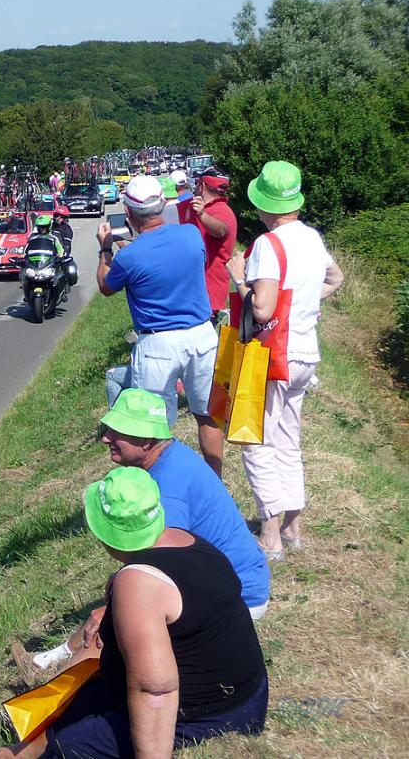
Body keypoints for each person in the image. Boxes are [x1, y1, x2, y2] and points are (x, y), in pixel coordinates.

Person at [0, 468, 268, 759]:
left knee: (74, 745)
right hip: (247, 695)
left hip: (214, 717)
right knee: (84, 697)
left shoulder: (139, 582)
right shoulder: (188, 541)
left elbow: (154, 689)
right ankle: (10, 755)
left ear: (105, 533)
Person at [226, 161, 344, 560]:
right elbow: (335, 280)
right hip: (306, 355)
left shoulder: (266, 245)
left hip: (273, 357)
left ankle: (270, 534)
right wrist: (308, 307)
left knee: (254, 439)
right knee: (288, 440)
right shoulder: (312, 237)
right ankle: (294, 527)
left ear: (265, 205)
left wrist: (239, 277)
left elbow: (262, 309)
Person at [96, 175, 224, 476]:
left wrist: (105, 249)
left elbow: (105, 285)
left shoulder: (127, 257)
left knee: (154, 424)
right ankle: (214, 481)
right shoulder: (192, 235)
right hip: (201, 335)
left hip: (157, 345)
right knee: (207, 416)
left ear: (128, 213)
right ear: (162, 206)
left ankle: (163, 483)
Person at [189, 170, 236, 322]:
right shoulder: (216, 209)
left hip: (207, 292)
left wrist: (202, 215)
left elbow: (221, 230)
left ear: (202, 186)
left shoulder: (219, 210)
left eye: (197, 183)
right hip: (205, 291)